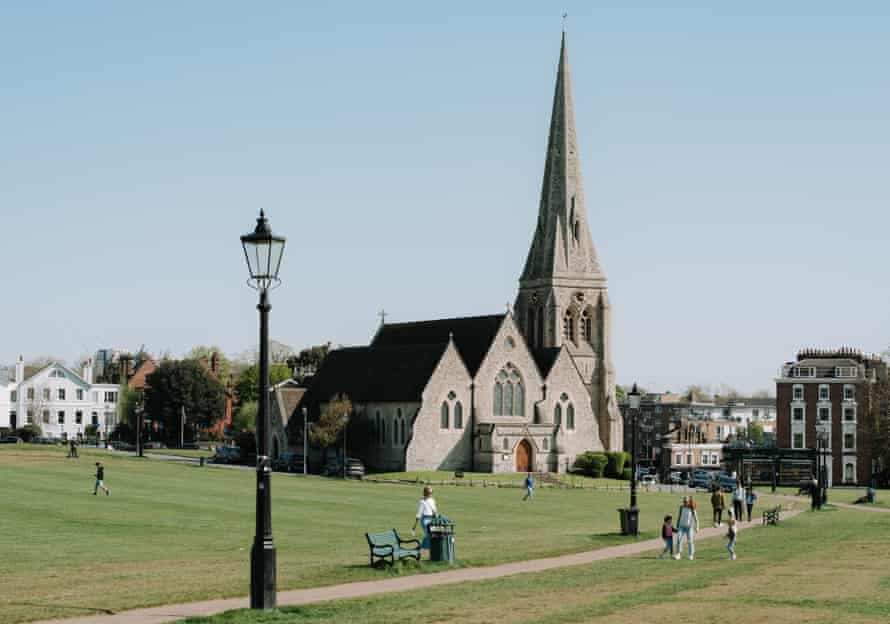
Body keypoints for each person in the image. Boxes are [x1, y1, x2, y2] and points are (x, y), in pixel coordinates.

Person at [412, 486, 437, 551]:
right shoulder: (422, 502)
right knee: (429, 534)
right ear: (425, 493)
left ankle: (424, 547)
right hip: (425, 520)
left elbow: (434, 510)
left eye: (431, 492)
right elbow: (419, 513)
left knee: (432, 535)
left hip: (432, 519)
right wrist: (415, 525)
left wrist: (435, 518)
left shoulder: (432, 500)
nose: (430, 494)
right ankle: (422, 547)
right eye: (429, 493)